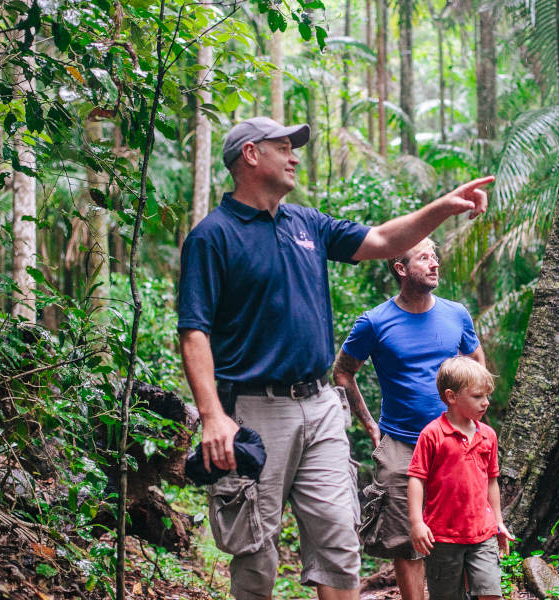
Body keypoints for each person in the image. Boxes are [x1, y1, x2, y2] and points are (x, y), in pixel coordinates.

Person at [177, 116, 493, 600]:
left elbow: (385, 240)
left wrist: (444, 208)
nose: (294, 156)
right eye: (283, 147)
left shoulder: (307, 224)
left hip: (322, 404)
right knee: (256, 551)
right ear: (250, 155)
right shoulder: (212, 237)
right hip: (257, 410)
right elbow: (194, 332)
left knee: (339, 545)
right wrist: (212, 416)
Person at [333, 237, 484, 600]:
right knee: (405, 541)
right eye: (423, 258)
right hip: (401, 444)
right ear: (400, 269)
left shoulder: (456, 314)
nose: (434, 264)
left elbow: (477, 363)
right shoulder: (374, 322)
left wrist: (475, 418)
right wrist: (371, 426)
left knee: (461, 534)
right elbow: (342, 372)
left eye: (435, 257)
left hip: (454, 443)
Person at [407, 356, 513, 600]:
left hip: (482, 533)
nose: (485, 403)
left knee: (490, 592)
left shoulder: (488, 435)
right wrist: (416, 523)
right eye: (477, 397)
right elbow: (416, 478)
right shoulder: (432, 434)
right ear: (451, 397)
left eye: (487, 396)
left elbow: (491, 480)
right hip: (442, 536)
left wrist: (498, 522)